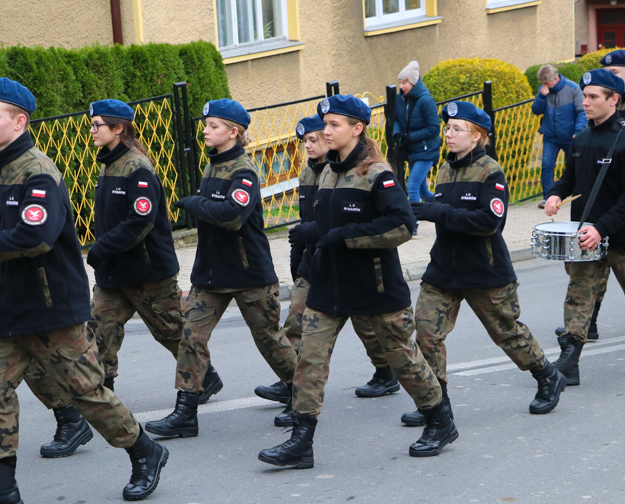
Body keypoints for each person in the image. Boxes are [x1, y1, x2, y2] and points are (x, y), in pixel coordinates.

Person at [0, 78, 168, 504]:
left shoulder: (37, 170)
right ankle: (1, 487)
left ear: (20, 121)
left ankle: (144, 451)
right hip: (9, 305)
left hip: (51, 307)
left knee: (87, 391)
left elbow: (36, 235)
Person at [258, 94, 456, 469]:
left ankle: (439, 419)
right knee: (309, 362)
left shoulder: (377, 173)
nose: (326, 131)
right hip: (328, 284)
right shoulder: (328, 171)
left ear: (357, 128)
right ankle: (301, 441)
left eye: (334, 125)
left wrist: (344, 237)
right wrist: (315, 233)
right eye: (325, 124)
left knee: (403, 360)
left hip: (375, 287)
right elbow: (329, 223)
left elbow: (401, 226)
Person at [39, 98, 224, 458]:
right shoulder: (110, 164)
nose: (91, 131)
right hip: (114, 274)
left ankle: (203, 379)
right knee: (98, 333)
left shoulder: (136, 167)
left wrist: (100, 247)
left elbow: (139, 223)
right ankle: (98, 402)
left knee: (171, 331)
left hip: (147, 272)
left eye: (97, 125)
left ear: (118, 129)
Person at [398, 101, 567, 428]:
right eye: (447, 128)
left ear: (476, 136)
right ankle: (436, 404)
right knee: (426, 334)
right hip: (443, 269)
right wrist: (428, 207)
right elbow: (447, 212)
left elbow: (489, 222)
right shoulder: (446, 169)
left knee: (506, 332)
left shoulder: (492, 171)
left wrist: (439, 212)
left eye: (456, 129)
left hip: (484, 270)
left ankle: (547, 376)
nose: (448, 134)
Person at [145, 98, 297, 438]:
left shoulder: (243, 170)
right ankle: (186, 412)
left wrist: (195, 203)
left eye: (213, 126)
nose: (205, 130)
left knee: (269, 338)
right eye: (206, 124)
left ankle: (300, 393)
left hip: (248, 273)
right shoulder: (214, 164)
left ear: (233, 132)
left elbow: (231, 215)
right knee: (191, 337)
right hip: (211, 274)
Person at [254, 115, 398, 428]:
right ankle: (294, 387)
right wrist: (298, 254)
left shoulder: (357, 171)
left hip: (350, 263)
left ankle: (386, 372)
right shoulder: (309, 173)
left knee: (369, 328)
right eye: (304, 141)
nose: (308, 145)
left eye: (314, 139)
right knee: (297, 321)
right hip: (316, 261)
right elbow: (311, 221)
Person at [544, 68, 625, 387]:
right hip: (587, 237)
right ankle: (571, 360)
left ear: (614, 99)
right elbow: (570, 179)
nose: (586, 103)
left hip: (618, 236)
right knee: (578, 296)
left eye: (593, 97)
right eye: (585, 96)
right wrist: (554, 194)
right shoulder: (583, 138)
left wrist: (602, 228)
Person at [393, 60, 440, 236]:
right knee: (422, 190)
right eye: (400, 82)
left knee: (412, 185)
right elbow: (397, 119)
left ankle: (413, 223)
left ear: (413, 83)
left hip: (427, 150)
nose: (401, 86)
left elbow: (434, 128)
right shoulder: (401, 100)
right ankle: (442, 209)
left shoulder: (425, 101)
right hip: (412, 151)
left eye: (404, 83)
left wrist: (410, 137)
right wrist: (398, 134)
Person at [531, 64, 586, 209]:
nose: (545, 86)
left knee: (573, 167)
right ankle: (547, 198)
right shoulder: (544, 91)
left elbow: (582, 112)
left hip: (570, 137)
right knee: (547, 166)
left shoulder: (573, 89)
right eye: (542, 83)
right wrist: (541, 96)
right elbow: (536, 110)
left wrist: (578, 131)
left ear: (555, 78)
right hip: (550, 136)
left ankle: (575, 195)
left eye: (547, 83)